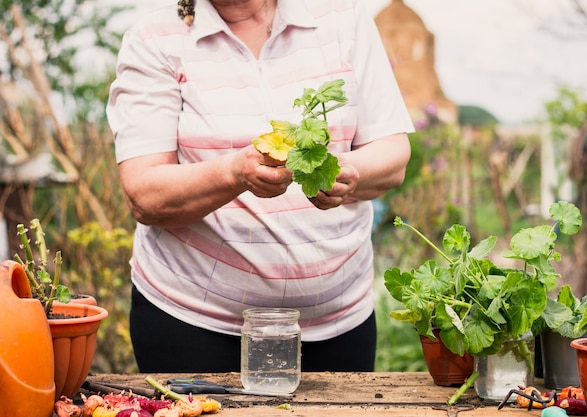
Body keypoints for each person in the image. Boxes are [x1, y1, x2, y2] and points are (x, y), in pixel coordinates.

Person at [106, 0, 414, 373]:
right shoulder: (156, 37)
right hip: (195, 325)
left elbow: (393, 153)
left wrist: (349, 172)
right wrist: (234, 172)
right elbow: (145, 194)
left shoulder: (342, 15)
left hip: (338, 327)